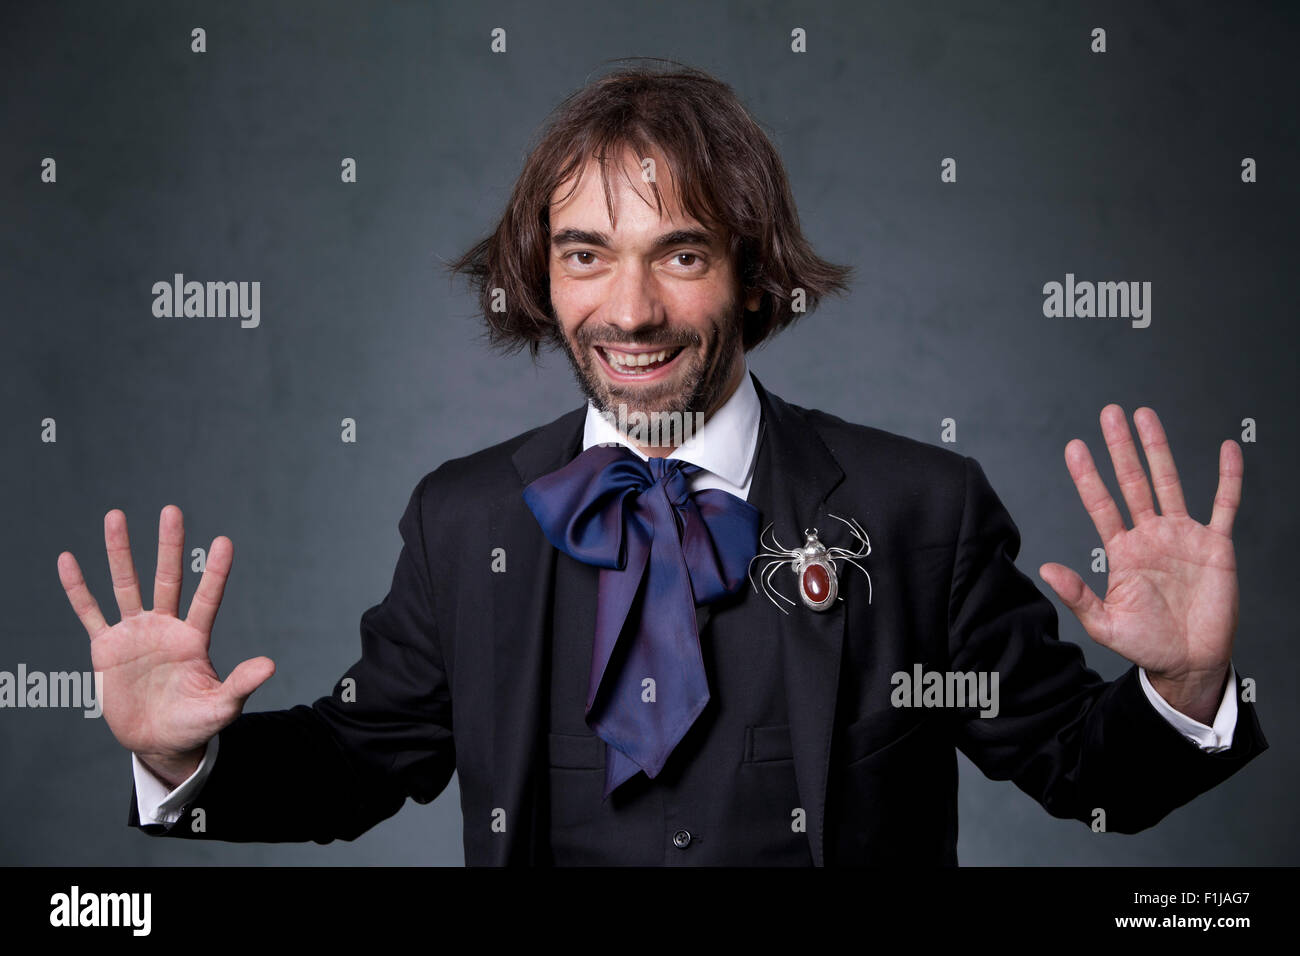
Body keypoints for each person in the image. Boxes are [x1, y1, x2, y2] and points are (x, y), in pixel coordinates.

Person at [57, 62, 1265, 865]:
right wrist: (183, 756)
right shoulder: (462, 517)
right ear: (542, 277)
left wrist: (1185, 690)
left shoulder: (915, 511)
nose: (627, 309)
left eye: (678, 255)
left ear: (749, 269)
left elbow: (1079, 770)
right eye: (585, 255)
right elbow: (354, 764)